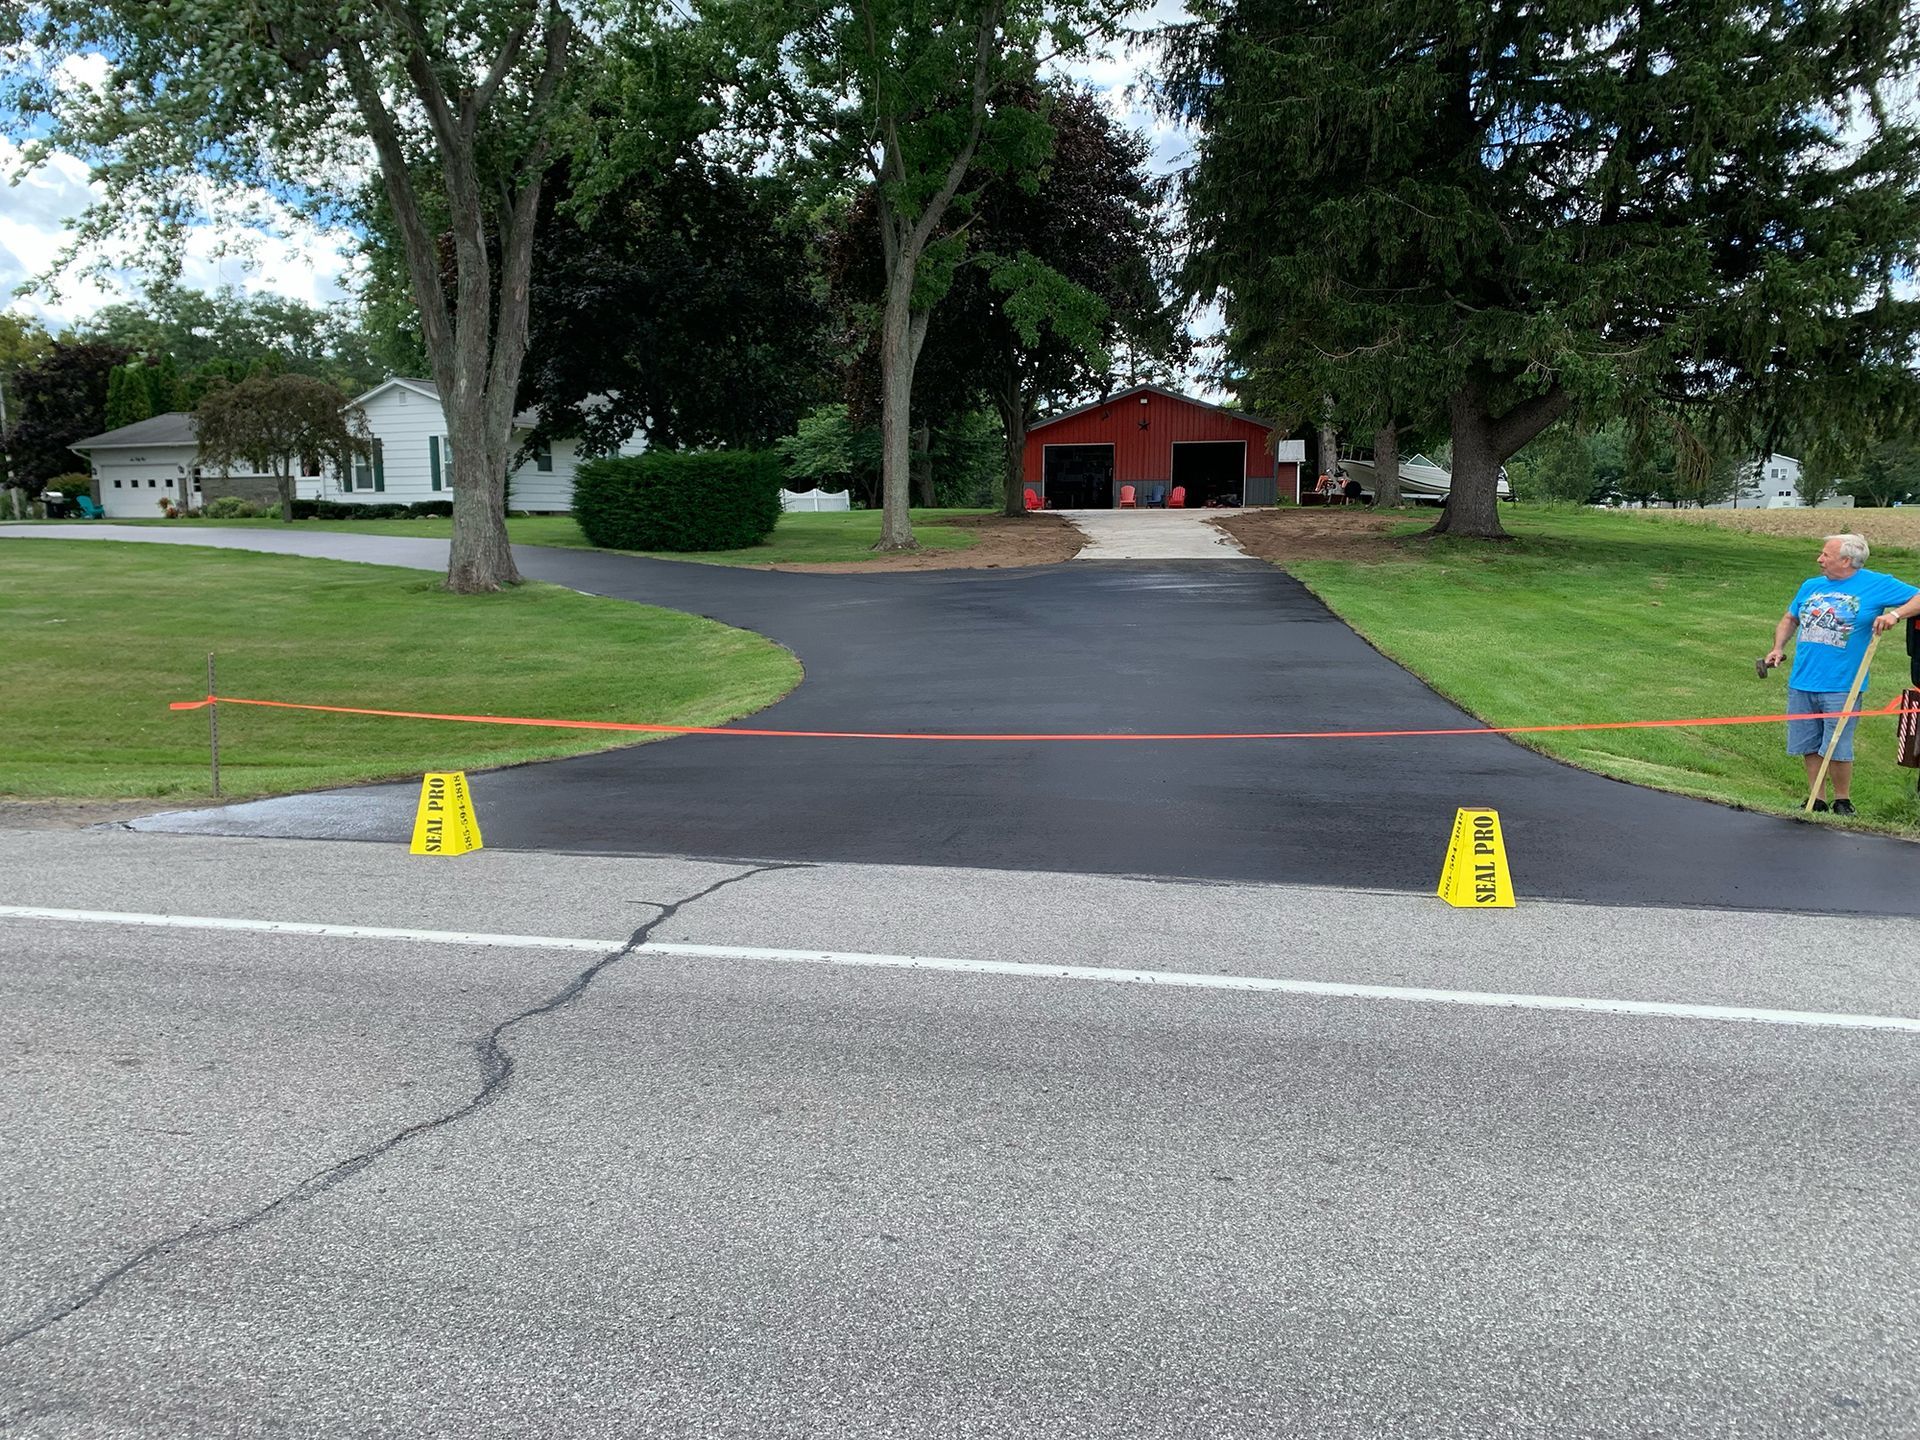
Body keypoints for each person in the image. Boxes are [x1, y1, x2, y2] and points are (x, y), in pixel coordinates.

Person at [1763, 533, 1920, 813]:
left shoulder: (1876, 583)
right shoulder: (1811, 586)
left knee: (1837, 743)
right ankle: (1817, 799)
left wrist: (1894, 615)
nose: (1819, 559)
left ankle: (1842, 801)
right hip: (1803, 680)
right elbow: (1790, 618)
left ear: (1847, 560)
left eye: (1826, 555)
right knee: (1809, 742)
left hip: (1842, 683)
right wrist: (1777, 647)